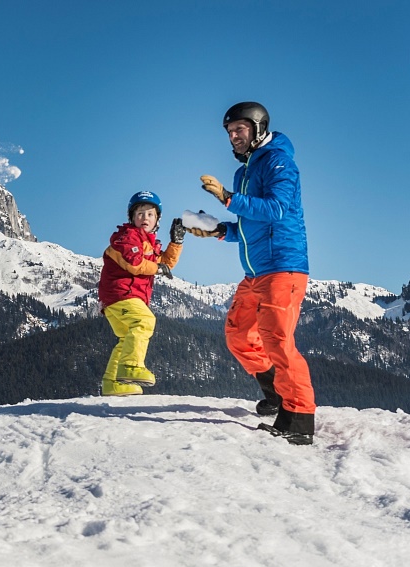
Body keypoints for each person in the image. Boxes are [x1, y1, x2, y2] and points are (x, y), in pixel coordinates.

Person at [188, 101, 316, 445]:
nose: (233, 137)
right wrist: (217, 230)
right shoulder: (243, 171)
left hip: (282, 266)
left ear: (258, 128)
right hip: (256, 271)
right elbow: (249, 224)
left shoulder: (279, 161)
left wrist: (229, 199)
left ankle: (300, 416)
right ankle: (276, 395)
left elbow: (275, 209)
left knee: (277, 340)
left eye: (239, 130)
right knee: (239, 334)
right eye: (229, 132)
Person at [98, 191, 184, 396]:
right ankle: (130, 366)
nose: (144, 218)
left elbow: (166, 264)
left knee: (127, 338)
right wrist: (158, 268)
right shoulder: (126, 238)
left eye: (150, 214)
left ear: (157, 220)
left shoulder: (150, 244)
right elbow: (134, 264)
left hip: (121, 298)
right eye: (139, 214)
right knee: (144, 321)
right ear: (132, 218)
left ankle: (111, 383)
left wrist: (176, 243)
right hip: (121, 294)